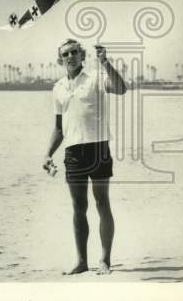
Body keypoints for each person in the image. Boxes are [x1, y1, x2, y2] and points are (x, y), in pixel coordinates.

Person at [43, 38, 127, 275]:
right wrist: (47, 154)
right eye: (65, 54)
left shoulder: (96, 78)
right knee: (78, 206)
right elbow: (59, 127)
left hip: (98, 148)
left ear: (82, 56)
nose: (70, 57)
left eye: (74, 53)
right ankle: (81, 262)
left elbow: (121, 89)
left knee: (102, 202)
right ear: (60, 59)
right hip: (73, 152)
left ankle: (105, 260)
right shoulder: (58, 87)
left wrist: (106, 63)